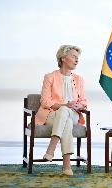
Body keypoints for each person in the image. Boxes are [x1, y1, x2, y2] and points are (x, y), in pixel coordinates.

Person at [35, 45, 88, 176]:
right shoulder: (50, 77)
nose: (77, 60)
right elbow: (45, 101)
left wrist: (78, 106)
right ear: (63, 58)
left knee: (66, 113)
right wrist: (65, 104)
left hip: (74, 114)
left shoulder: (79, 79)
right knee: (66, 117)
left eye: (78, 58)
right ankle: (67, 166)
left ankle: (51, 148)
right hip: (52, 115)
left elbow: (84, 102)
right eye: (73, 57)